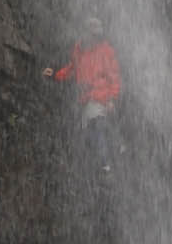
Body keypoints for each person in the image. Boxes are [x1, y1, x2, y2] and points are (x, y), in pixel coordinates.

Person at [43, 16, 121, 175]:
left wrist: (112, 98)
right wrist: (54, 75)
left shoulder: (105, 51)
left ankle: (106, 165)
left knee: (97, 124)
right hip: (86, 98)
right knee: (90, 131)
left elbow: (114, 76)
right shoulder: (79, 51)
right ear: (85, 33)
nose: (95, 38)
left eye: (97, 35)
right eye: (92, 34)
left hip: (101, 96)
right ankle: (111, 153)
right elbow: (71, 70)